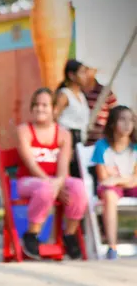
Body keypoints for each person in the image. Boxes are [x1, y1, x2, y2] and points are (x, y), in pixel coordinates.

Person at [17, 87, 87, 260]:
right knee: (46, 187)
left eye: (45, 105)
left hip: (56, 182)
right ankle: (32, 235)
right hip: (29, 181)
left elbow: (63, 169)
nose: (40, 108)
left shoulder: (64, 134)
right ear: (31, 108)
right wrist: (53, 185)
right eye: (36, 105)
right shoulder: (24, 130)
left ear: (54, 109)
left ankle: (69, 235)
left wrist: (58, 184)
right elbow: (31, 165)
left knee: (78, 186)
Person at [91, 105, 137, 260]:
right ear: (112, 123)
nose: (127, 124)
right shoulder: (102, 146)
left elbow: (135, 179)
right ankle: (112, 247)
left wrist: (118, 179)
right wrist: (127, 179)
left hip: (129, 185)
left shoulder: (135, 147)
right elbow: (104, 180)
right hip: (110, 189)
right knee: (109, 196)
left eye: (131, 120)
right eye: (122, 119)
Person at [54, 59, 91, 177]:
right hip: (68, 140)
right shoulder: (64, 95)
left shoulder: (81, 95)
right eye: (82, 72)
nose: (86, 76)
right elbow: (53, 118)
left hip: (80, 141)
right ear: (71, 75)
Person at [84, 69, 118, 145]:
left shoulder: (106, 92)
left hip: (100, 140)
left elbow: (115, 115)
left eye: (87, 69)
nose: (85, 73)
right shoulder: (77, 92)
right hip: (81, 140)